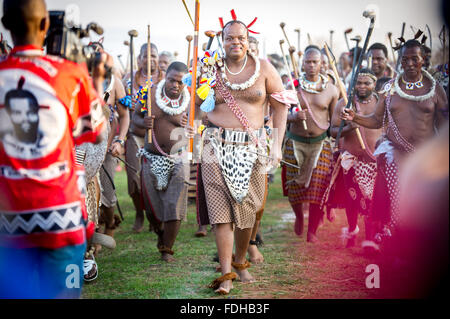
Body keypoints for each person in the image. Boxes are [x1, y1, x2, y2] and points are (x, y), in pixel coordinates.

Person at [0, 0, 106, 298]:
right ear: (45, 26)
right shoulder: (70, 73)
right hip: (62, 217)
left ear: (6, 25)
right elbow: (97, 134)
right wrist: (93, 79)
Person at [187, 20, 292, 295]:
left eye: (241, 38)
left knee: (248, 213)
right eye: (230, 38)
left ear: (248, 39)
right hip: (214, 145)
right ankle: (226, 274)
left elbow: (281, 108)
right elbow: (195, 104)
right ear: (222, 40)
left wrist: (277, 145)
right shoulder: (210, 68)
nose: (236, 43)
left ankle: (241, 259)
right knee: (222, 215)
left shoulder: (265, 69)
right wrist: (193, 124)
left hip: (253, 147)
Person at [341, 39, 448, 251]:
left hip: (425, 161)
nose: (409, 63)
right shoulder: (390, 89)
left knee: (425, 210)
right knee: (400, 209)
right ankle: (401, 251)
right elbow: (376, 119)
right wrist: (355, 118)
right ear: (399, 61)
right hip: (396, 158)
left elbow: (444, 125)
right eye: (405, 59)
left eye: (414, 59)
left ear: (423, 60)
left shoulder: (435, 90)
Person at [133, 61, 190, 262]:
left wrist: (189, 125)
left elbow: (200, 126)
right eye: (171, 80)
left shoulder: (191, 99)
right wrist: (143, 122)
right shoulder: (149, 94)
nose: (175, 85)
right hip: (151, 157)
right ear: (165, 76)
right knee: (153, 209)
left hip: (178, 157)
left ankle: (167, 249)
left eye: (180, 82)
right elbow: (133, 123)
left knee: (174, 204)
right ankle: (161, 234)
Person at [282, 45, 339, 243]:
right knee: (295, 189)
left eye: (315, 62)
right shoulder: (292, 87)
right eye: (308, 62)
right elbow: (280, 116)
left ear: (322, 64)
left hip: (320, 143)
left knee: (318, 187)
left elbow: (334, 122)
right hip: (295, 142)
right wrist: (293, 116)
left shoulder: (332, 90)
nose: (312, 65)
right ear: (302, 63)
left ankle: (312, 230)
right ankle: (299, 216)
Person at [322, 69, 382, 248]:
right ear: (353, 84)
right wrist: (349, 127)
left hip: (375, 160)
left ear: (374, 85)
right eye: (358, 83)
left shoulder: (381, 103)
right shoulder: (344, 103)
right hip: (352, 161)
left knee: (372, 200)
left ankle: (370, 238)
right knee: (353, 200)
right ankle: (352, 228)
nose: (362, 87)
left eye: (367, 83)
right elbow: (333, 132)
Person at [121, 43, 164, 233]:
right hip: (134, 134)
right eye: (145, 56)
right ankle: (139, 213)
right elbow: (121, 108)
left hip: (157, 136)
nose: (150, 59)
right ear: (139, 59)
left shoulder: (165, 80)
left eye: (153, 55)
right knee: (134, 180)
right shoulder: (129, 80)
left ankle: (154, 216)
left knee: (156, 179)